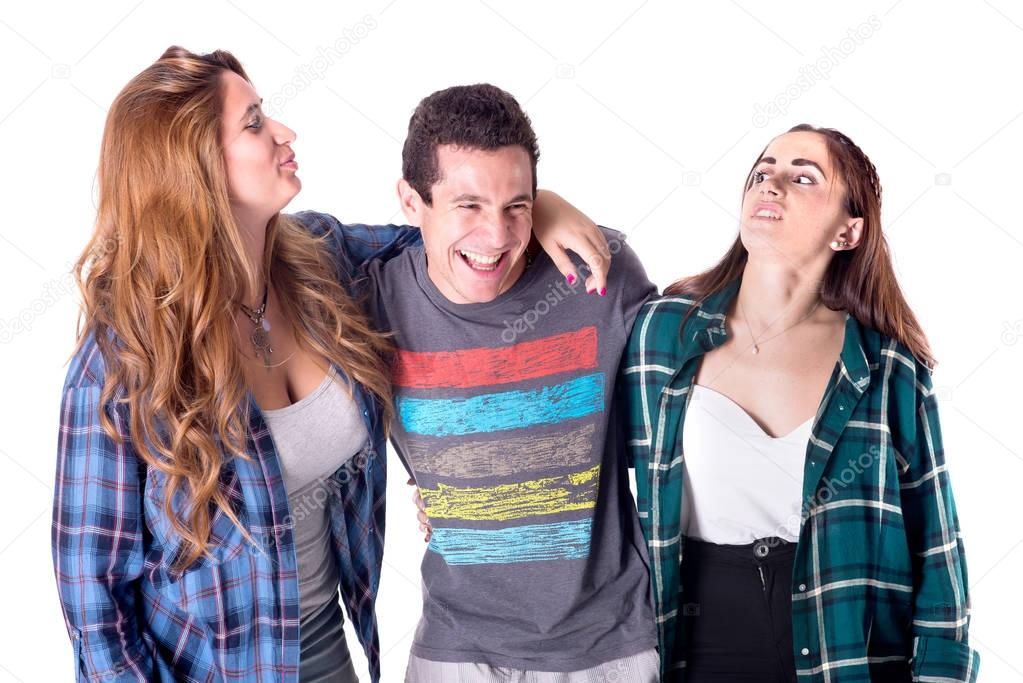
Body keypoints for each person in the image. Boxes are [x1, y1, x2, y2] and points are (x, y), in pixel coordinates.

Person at [52, 46, 608, 683]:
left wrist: (540, 205)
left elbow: (446, 232)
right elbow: (94, 607)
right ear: (193, 165)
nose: (285, 133)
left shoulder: (324, 260)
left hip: (330, 650)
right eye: (255, 122)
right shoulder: (123, 359)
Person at [621, 124, 979, 682]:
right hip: (700, 645)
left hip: (849, 655)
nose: (771, 185)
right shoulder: (664, 332)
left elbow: (938, 548)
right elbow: (577, 454)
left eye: (802, 177)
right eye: (762, 172)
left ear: (847, 231)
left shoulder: (887, 366)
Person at [363, 83, 660, 683]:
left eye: (516, 206)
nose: (496, 236)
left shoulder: (597, 270)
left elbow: (669, 424)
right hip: (456, 649)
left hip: (609, 647)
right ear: (410, 201)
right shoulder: (372, 302)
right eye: (468, 205)